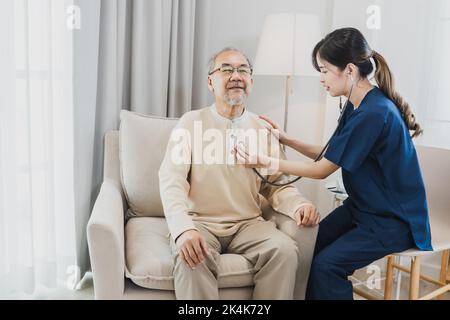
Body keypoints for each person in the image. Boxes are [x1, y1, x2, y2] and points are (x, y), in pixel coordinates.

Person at [235, 28, 432, 300]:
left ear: (349, 70)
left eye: (325, 70)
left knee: (326, 267)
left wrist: (266, 160)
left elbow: (322, 170)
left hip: (392, 222)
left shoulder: (374, 113)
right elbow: (329, 154)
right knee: (306, 250)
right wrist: (285, 139)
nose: (321, 79)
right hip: (363, 209)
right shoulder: (358, 104)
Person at [158, 47, 320, 300]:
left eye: (242, 70)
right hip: (200, 222)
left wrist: (299, 204)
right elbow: (171, 181)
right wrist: (183, 230)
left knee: (285, 250)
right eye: (226, 69)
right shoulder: (190, 123)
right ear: (211, 82)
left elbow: (277, 184)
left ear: (251, 82)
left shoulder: (263, 129)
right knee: (192, 257)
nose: (236, 75)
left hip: (248, 224)